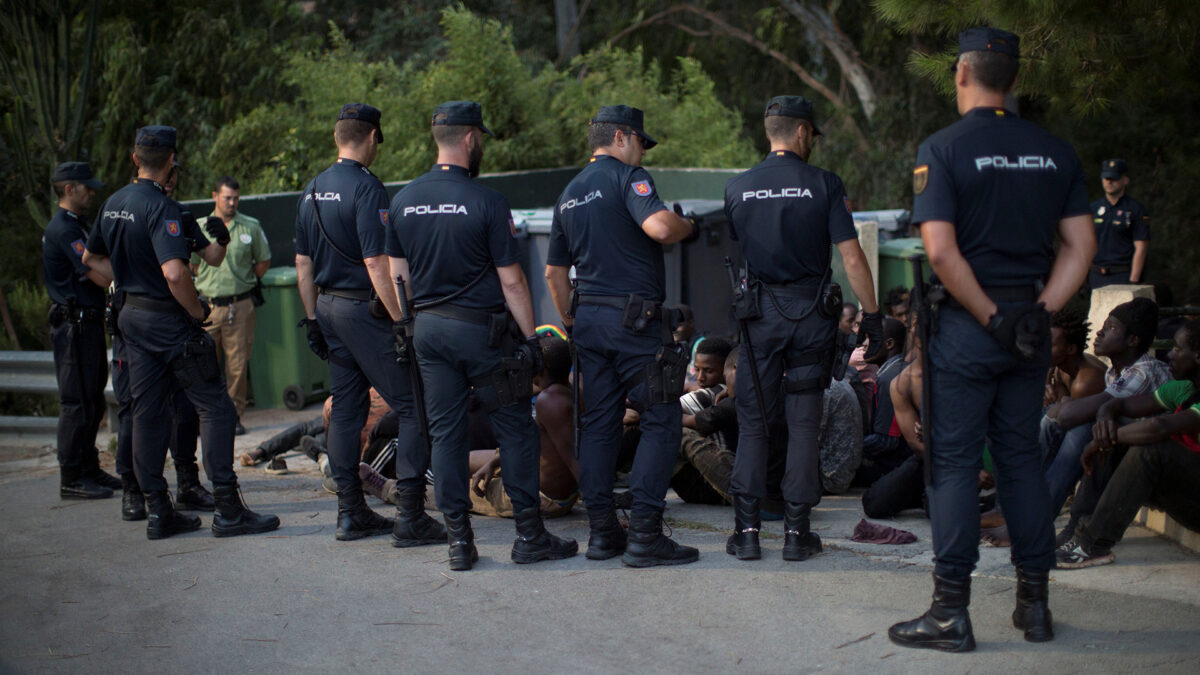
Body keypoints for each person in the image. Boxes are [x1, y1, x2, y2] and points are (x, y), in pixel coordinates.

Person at [888, 28, 1095, 651]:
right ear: (1013, 80)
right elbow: (1081, 247)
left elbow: (941, 251)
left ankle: (950, 613)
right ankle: (1035, 607)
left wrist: (988, 314)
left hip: (965, 331)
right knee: (1019, 463)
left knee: (952, 465)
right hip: (1027, 335)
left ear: (961, 73)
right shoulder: (1054, 152)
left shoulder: (944, 149)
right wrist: (1037, 312)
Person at [387, 100, 576, 570]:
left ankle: (459, 542)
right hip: (484, 334)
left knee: (445, 434)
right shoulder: (488, 201)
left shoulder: (403, 200)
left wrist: (409, 324)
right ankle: (530, 536)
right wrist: (532, 340)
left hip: (429, 331)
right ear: (470, 139)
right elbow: (512, 280)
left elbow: (398, 278)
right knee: (514, 428)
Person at [83, 125, 278, 539]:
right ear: (171, 160)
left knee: (148, 413)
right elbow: (175, 273)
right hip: (167, 321)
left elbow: (90, 260)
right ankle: (228, 509)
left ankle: (159, 511)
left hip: (130, 320)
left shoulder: (114, 204)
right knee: (216, 408)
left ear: (135, 159)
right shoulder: (162, 208)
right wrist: (197, 310)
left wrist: (127, 283)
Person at [722, 95, 883, 562]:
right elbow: (850, 256)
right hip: (811, 315)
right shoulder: (825, 184)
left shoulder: (737, 188)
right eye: (813, 134)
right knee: (804, 422)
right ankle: (796, 536)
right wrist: (870, 315)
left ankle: (747, 533)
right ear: (801, 133)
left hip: (758, 318)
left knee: (753, 422)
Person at [545, 104, 699, 568]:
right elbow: (658, 226)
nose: (641, 152)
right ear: (621, 137)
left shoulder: (568, 194)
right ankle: (647, 535)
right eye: (640, 143)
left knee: (599, 424)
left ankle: (603, 534)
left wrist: (573, 321)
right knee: (660, 417)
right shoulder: (630, 178)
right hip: (635, 323)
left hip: (589, 321)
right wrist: (686, 226)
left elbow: (554, 273)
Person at [294, 103, 436, 544]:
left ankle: (350, 512)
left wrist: (312, 317)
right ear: (373, 136)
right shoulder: (367, 188)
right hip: (362, 310)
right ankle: (411, 516)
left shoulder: (312, 190)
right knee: (413, 405)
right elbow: (376, 262)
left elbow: (302, 264)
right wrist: (402, 321)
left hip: (329, 309)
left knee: (347, 409)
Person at [1056, 320, 1200, 568]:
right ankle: (1077, 529)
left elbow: (1160, 427)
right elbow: (1118, 405)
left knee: (1152, 447)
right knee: (1119, 429)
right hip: (1186, 490)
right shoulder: (1184, 388)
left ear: (1197, 356)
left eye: (1177, 349)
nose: (1170, 354)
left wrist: (1106, 438)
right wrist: (1105, 421)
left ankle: (1093, 545)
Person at [1045, 297, 1168, 544]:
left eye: (1111, 328)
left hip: (1148, 459)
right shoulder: (1114, 371)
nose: (1100, 332)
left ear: (1133, 340)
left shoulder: (1142, 372)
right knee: (1054, 423)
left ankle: (1055, 521)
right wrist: (1063, 405)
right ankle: (1024, 512)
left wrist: (1065, 405)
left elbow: (1069, 415)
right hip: (1127, 448)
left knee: (1085, 430)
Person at [43, 161, 121, 499]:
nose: (91, 191)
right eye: (86, 186)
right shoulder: (64, 229)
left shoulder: (75, 224)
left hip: (85, 323)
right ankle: (71, 476)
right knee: (76, 402)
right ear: (69, 188)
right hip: (73, 326)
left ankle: (88, 467)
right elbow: (100, 275)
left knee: (92, 400)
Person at [467, 335, 581, 518]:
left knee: (450, 491)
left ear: (539, 368)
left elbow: (574, 459)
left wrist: (601, 513)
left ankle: (415, 494)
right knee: (465, 460)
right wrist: (496, 462)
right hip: (528, 466)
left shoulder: (550, 402)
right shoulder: (569, 386)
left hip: (542, 496)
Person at [192, 176, 270, 435]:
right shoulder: (200, 226)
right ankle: (206, 415)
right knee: (205, 364)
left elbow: (262, 262)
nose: (232, 202)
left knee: (237, 366)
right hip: (208, 306)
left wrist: (243, 282)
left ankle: (234, 416)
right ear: (215, 196)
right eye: (227, 197)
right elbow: (192, 265)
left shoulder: (250, 226)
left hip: (240, 304)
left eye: (236, 198)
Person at [852, 317, 908, 487]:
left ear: (889, 344)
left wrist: (851, 448)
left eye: (871, 339)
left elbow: (886, 441)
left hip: (894, 466)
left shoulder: (889, 379)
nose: (865, 345)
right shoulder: (897, 370)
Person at [1088, 159, 1150, 289]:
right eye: (1106, 178)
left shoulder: (1135, 209)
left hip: (1122, 275)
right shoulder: (1092, 209)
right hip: (1096, 275)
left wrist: (1133, 281)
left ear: (1125, 180)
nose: (1109, 182)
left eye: (1114, 178)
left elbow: (1141, 246)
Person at [1043, 309, 1106, 407]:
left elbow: (1066, 416)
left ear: (1071, 349)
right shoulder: (1064, 366)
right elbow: (1058, 399)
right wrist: (1047, 382)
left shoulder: (1084, 384)